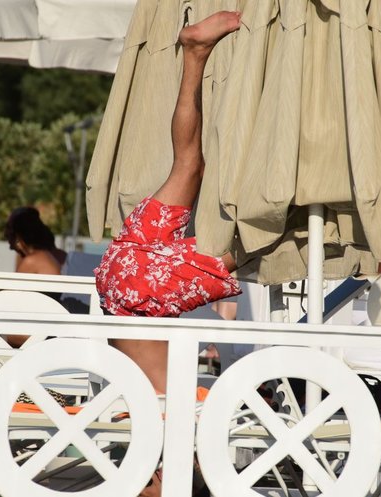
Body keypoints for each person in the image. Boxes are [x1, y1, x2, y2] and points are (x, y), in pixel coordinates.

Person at [94, 11, 243, 395]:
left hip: (142, 287)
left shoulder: (156, 408)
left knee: (257, 239)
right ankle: (195, 54)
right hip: (119, 266)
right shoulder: (141, 398)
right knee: (188, 163)